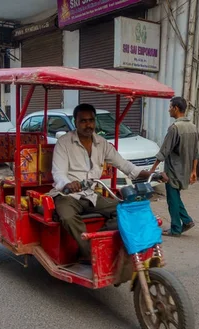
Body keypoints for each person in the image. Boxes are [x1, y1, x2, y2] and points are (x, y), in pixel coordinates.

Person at [52, 103, 158, 264]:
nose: (88, 125)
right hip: (68, 195)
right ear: (75, 122)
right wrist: (68, 184)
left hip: (92, 195)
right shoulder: (64, 143)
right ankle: (88, 253)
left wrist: (149, 174)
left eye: (91, 120)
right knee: (67, 217)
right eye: (83, 121)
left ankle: (96, 243)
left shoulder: (102, 143)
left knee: (124, 210)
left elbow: (124, 164)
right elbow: (58, 172)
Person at [149, 96, 199, 237]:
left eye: (170, 107)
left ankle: (176, 228)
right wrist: (194, 170)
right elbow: (196, 152)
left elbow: (164, 151)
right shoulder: (193, 127)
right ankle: (187, 221)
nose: (169, 110)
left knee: (172, 199)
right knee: (175, 197)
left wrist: (152, 170)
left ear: (176, 108)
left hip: (173, 170)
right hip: (185, 169)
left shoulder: (174, 128)